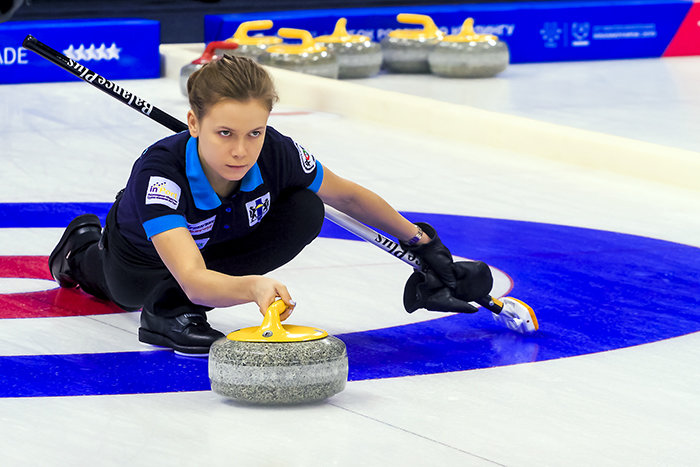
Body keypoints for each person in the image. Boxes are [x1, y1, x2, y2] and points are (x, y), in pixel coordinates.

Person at [48, 55, 524, 356]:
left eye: (253, 132)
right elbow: (191, 279)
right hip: (143, 261)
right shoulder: (161, 176)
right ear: (193, 122)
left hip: (215, 242)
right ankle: (82, 251)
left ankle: (171, 300)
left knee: (305, 207)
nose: (241, 150)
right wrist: (251, 287)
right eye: (225, 133)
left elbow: (347, 195)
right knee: (126, 288)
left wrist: (420, 242)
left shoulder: (274, 151)